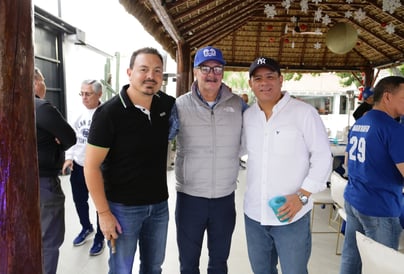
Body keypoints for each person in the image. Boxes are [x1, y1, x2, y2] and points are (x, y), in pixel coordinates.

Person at [83, 47, 175, 273]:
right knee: (121, 269)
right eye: (143, 69)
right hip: (122, 209)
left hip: (159, 206)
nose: (150, 76)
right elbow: (91, 167)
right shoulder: (109, 113)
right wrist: (103, 214)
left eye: (157, 71)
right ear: (129, 72)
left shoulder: (166, 104)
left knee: (154, 267)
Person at [241, 57, 333, 274]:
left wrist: (302, 196)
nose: (265, 83)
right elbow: (237, 151)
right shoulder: (248, 116)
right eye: (258, 78)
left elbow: (322, 157)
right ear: (251, 84)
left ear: (281, 80)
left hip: (292, 215)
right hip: (254, 215)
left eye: (270, 77)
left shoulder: (303, 113)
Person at [170, 46, 244, 274]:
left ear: (223, 72)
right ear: (195, 72)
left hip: (224, 198)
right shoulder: (179, 106)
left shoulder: (238, 105)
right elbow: (155, 140)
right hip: (190, 198)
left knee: (219, 262)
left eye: (217, 68)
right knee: (188, 263)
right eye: (205, 68)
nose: (211, 74)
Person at [340, 76, 404, 274]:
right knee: (382, 267)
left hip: (354, 199)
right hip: (380, 206)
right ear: (387, 97)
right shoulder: (394, 129)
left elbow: (346, 162)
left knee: (352, 256)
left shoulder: (361, 121)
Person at [34, 67, 77, 274]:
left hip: (3, 186)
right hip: (42, 184)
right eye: (42, 80)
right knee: (48, 241)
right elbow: (70, 138)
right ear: (34, 82)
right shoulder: (41, 108)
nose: (45, 85)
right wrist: (55, 144)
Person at [62, 79, 104, 255]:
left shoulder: (105, 114)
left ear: (99, 94)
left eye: (88, 94)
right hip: (79, 166)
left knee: (100, 204)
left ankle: (101, 237)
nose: (84, 98)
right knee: (79, 201)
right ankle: (86, 227)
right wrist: (69, 158)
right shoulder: (78, 114)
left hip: (98, 169)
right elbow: (72, 138)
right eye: (82, 93)